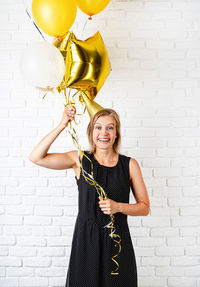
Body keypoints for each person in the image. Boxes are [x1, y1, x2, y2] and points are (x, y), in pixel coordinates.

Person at [29, 105, 150, 287]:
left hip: (117, 242)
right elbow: (36, 157)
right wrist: (62, 124)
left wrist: (118, 207)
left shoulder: (130, 165)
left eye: (110, 127)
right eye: (98, 127)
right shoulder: (79, 160)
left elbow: (144, 207)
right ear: (91, 132)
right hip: (86, 242)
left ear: (116, 134)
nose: (104, 133)